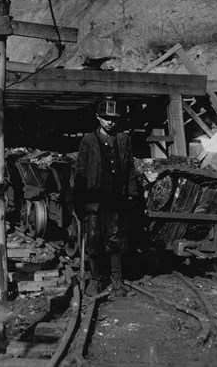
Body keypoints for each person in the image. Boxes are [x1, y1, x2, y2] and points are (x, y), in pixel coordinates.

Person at [73, 99, 138, 297]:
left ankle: (117, 280)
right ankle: (95, 280)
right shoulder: (88, 140)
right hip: (94, 199)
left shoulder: (123, 139)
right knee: (94, 239)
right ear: (98, 118)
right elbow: (81, 171)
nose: (110, 122)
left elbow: (130, 170)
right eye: (106, 118)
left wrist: (132, 194)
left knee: (116, 239)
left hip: (116, 199)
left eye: (114, 119)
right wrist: (79, 201)